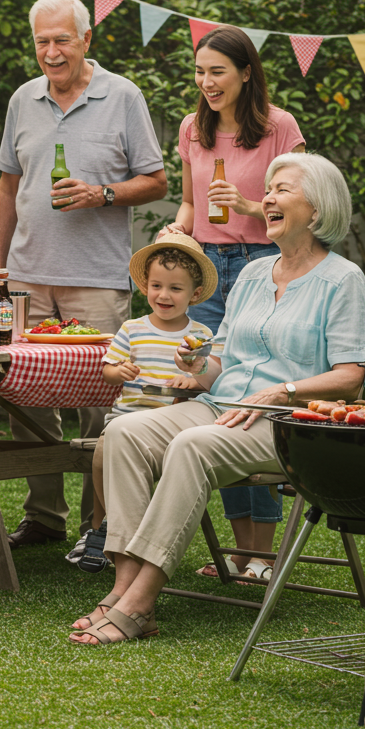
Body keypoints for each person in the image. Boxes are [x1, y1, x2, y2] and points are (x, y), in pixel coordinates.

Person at [69, 153, 365, 645]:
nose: (268, 198)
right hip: (220, 406)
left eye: (283, 189)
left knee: (194, 445)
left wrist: (283, 389)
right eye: (269, 189)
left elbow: (351, 378)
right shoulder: (253, 275)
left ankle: (141, 599)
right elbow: (223, 361)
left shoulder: (343, 279)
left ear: (317, 211)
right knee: (124, 431)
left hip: (288, 422)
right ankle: (123, 584)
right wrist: (198, 366)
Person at [0, 0, 168, 558]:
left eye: (61, 40)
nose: (51, 51)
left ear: (86, 40)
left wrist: (104, 193)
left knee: (104, 402)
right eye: (42, 41)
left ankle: (106, 526)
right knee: (25, 400)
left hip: (97, 278)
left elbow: (157, 180)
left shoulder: (122, 96)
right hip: (26, 275)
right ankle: (44, 516)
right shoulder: (24, 99)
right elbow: (8, 186)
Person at [158, 25, 306, 582]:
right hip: (207, 267)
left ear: (247, 73)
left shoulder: (278, 127)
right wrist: (177, 231)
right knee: (214, 392)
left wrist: (247, 203)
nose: (206, 81)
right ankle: (237, 551)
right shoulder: (193, 128)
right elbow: (189, 203)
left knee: (250, 395)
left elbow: (299, 199)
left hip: (260, 263)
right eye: (200, 71)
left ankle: (261, 553)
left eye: (217, 71)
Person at [80, 235, 216, 573]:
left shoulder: (201, 335)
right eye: (156, 285)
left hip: (174, 422)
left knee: (122, 452)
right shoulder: (132, 329)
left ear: (195, 294)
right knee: (102, 453)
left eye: (175, 288)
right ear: (145, 287)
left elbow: (210, 380)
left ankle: (117, 529)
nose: (164, 295)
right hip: (127, 415)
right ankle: (103, 528)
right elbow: (107, 372)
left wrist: (193, 381)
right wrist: (119, 370)